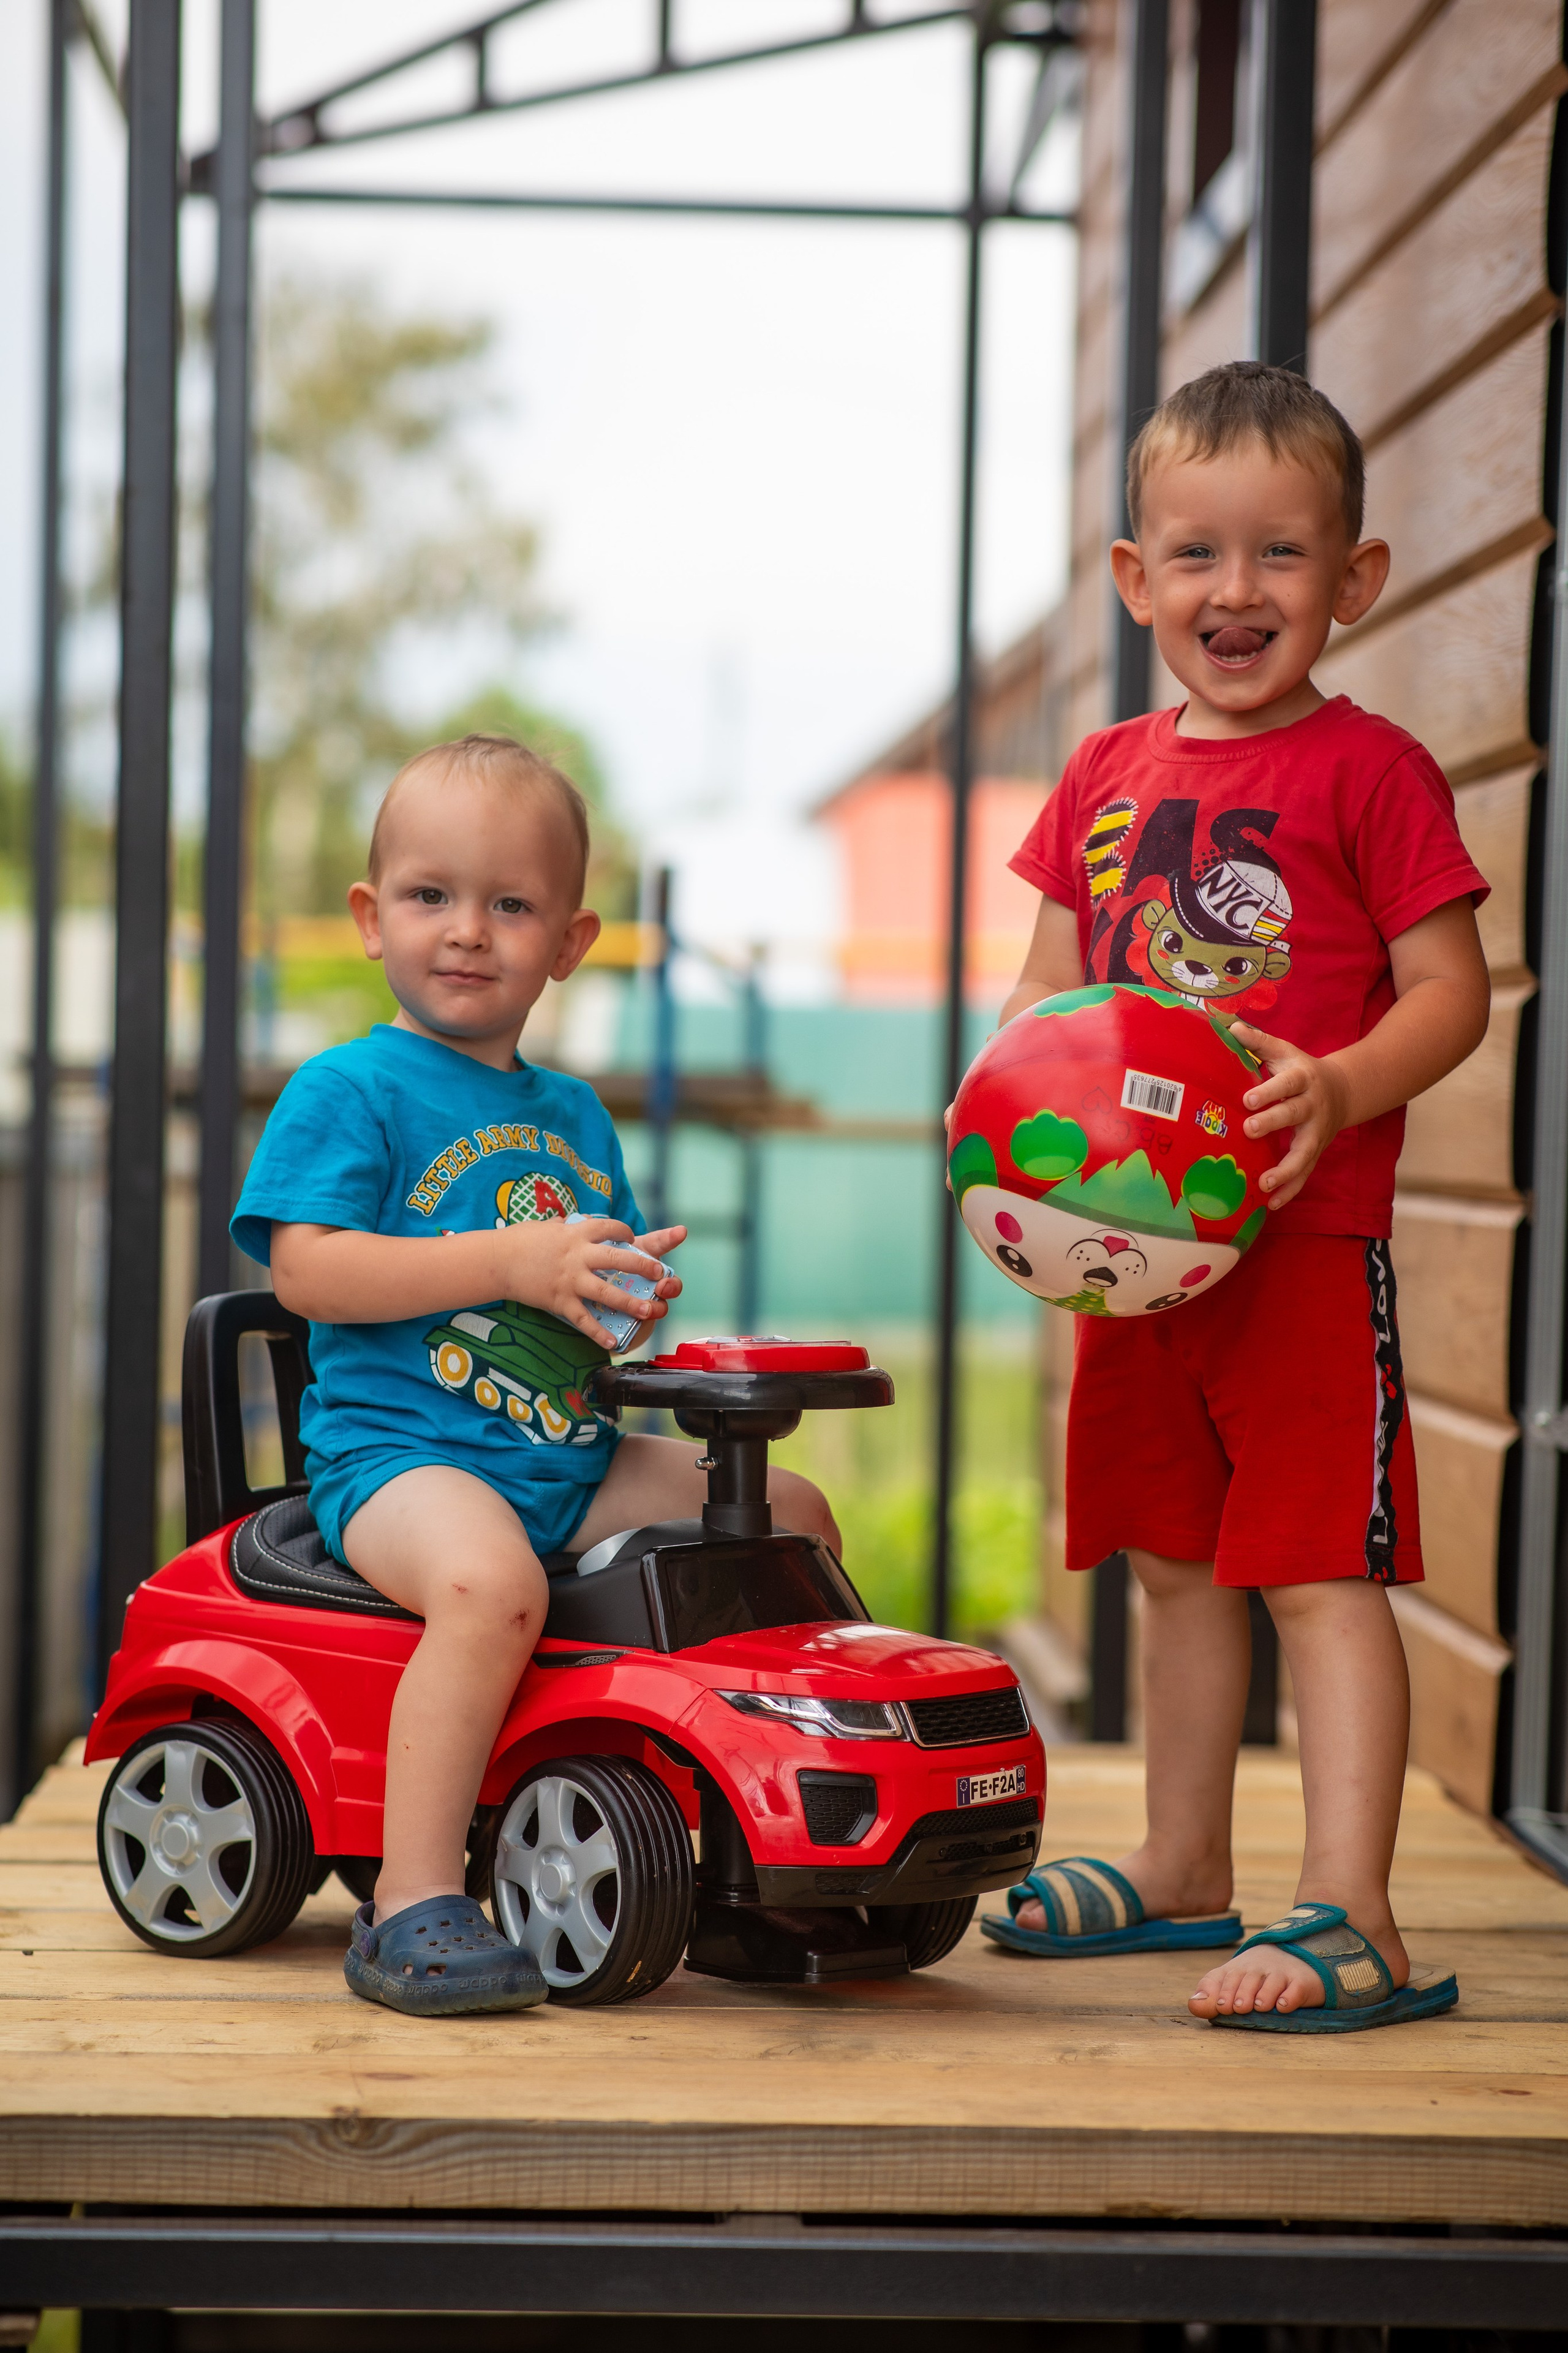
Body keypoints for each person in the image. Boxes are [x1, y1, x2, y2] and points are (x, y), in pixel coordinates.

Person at [980, 362, 1490, 2031]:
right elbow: (1047, 1002)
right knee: (1175, 1566)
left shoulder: (1373, 774)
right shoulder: (1107, 775)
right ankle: (1183, 1859)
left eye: (1282, 555)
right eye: (1196, 554)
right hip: (1138, 1270)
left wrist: (1339, 1087)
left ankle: (1352, 1910)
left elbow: (1453, 992)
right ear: (1137, 581)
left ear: (1354, 582)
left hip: (1299, 1259)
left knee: (1316, 1571)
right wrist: (1006, 1139)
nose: (1237, 590)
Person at [232, 733, 839, 2015]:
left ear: (568, 941)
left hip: (562, 1451)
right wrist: (512, 1260)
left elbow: (576, 1300)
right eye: (430, 895)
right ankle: (409, 1900)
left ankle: (776, 1844)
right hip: (405, 1460)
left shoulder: (573, 1115)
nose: (466, 930)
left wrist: (616, 1296)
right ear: (369, 915)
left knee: (790, 1521)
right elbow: (308, 1275)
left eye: (509, 904)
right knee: (490, 1581)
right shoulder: (350, 1088)